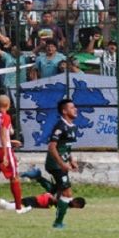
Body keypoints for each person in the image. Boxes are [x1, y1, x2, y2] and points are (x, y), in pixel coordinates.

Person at [0, 170, 86, 212]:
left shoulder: (67, 202)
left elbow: (53, 196)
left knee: (7, 205)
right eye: (77, 207)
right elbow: (53, 198)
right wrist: (53, 200)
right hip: (32, 202)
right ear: (76, 204)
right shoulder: (66, 199)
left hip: (34, 202)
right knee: (7, 206)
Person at [46, 98, 79, 229]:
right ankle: (58, 223)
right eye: (72, 107)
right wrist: (61, 163)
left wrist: (71, 160)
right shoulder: (60, 126)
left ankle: (50, 195)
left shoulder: (72, 126)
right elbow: (52, 147)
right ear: (64, 111)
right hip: (55, 165)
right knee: (67, 193)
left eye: (74, 107)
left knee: (61, 193)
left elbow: (66, 146)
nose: (75, 109)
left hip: (61, 164)